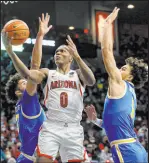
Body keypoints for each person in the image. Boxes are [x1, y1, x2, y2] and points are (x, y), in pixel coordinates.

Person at [85, 7, 148, 163]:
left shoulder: (120, 83)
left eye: (124, 68)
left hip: (126, 150)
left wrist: (107, 25)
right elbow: (114, 124)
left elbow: (106, 51)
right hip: (132, 148)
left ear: (131, 76)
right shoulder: (128, 92)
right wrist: (95, 120)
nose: (120, 69)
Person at [30, 25, 96, 163]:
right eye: (56, 52)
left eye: (62, 51)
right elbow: (32, 71)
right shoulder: (48, 73)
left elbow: (91, 80)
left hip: (73, 128)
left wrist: (78, 56)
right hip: (52, 125)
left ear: (70, 58)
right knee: (42, 160)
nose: (58, 54)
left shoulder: (78, 74)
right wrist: (39, 37)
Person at [2, 13, 52, 163]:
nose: (28, 81)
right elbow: (34, 68)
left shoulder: (21, 106)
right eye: (24, 82)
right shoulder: (27, 101)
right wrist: (40, 36)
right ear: (18, 92)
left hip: (26, 157)